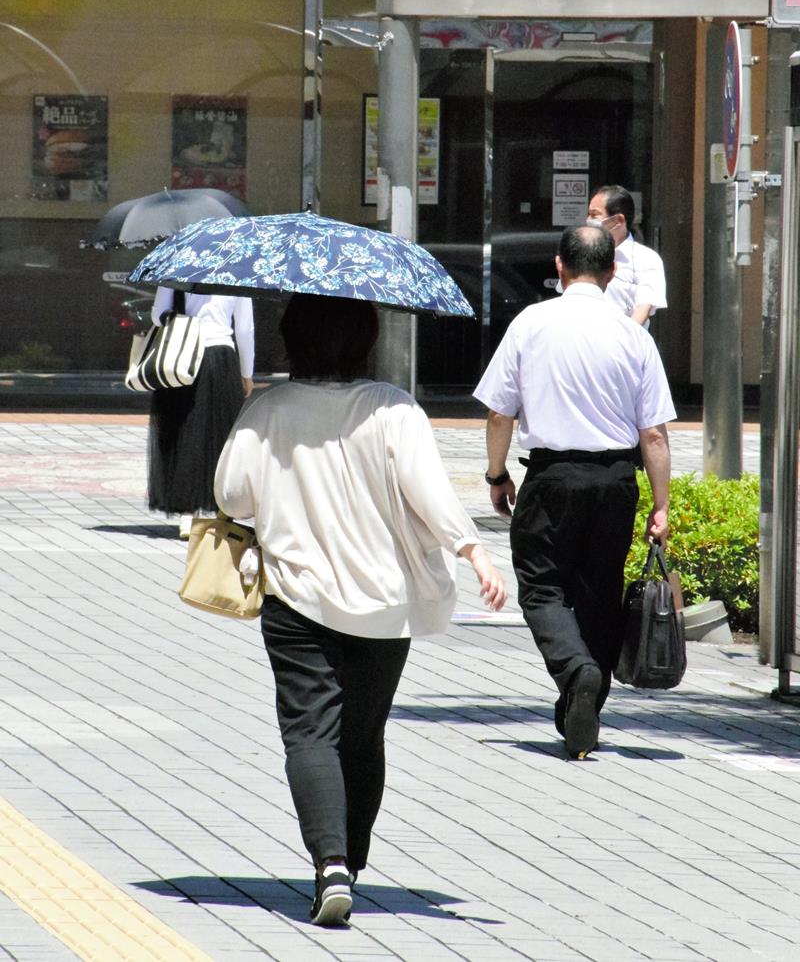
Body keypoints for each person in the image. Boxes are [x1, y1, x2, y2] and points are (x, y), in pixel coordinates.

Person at [214, 293, 506, 927]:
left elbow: (230, 494)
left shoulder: (267, 406)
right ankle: (353, 858)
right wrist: (473, 551)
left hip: (297, 597)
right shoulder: (392, 407)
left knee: (309, 731)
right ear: (366, 338)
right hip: (385, 603)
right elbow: (430, 494)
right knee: (363, 734)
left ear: (293, 337)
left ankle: (331, 864)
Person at [473, 225, 675, 759]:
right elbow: (653, 432)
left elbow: (499, 412)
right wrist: (661, 505)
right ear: (612, 275)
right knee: (599, 594)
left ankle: (577, 672)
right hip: (615, 480)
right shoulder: (633, 336)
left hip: (551, 477)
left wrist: (497, 476)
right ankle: (582, 708)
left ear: (560, 267)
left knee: (542, 590)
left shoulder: (531, 323)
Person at [147, 287, 254, 537]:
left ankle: (188, 513)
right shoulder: (237, 272)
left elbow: (158, 314)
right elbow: (245, 329)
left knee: (182, 431)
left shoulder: (179, 267)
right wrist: (246, 372)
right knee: (223, 436)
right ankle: (223, 510)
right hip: (221, 357)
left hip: (181, 356)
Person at [585, 184, 667, 328]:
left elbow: (644, 307)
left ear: (618, 221)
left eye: (594, 215)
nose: (588, 220)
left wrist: (623, 340)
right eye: (588, 214)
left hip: (625, 345)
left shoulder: (646, 259)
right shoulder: (583, 252)